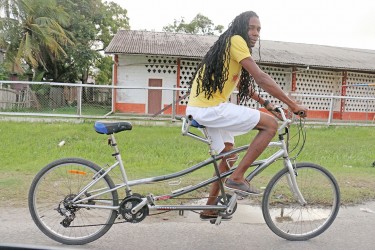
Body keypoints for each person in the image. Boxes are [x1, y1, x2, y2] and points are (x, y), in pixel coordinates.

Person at [185, 11, 307, 220]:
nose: (255, 33)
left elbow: (245, 86)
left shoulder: (230, 46)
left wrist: (268, 104)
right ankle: (239, 177)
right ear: (242, 27)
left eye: (259, 29)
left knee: (229, 155)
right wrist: (292, 104)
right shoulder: (236, 40)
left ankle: (209, 208)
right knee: (269, 125)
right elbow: (260, 77)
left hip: (203, 108)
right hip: (210, 108)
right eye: (251, 28)